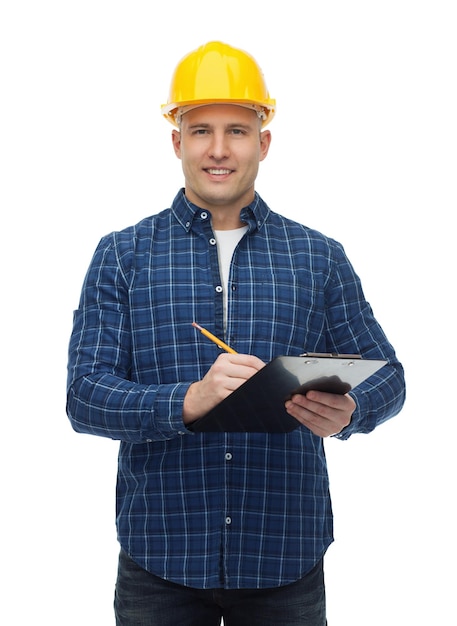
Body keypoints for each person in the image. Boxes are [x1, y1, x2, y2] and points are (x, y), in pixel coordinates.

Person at [66, 41, 406, 626]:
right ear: (176, 141)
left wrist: (350, 411)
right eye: (200, 130)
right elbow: (85, 396)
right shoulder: (122, 255)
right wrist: (189, 400)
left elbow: (388, 377)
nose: (218, 150)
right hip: (160, 559)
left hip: (284, 560)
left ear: (264, 141)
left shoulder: (317, 256)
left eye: (237, 131)